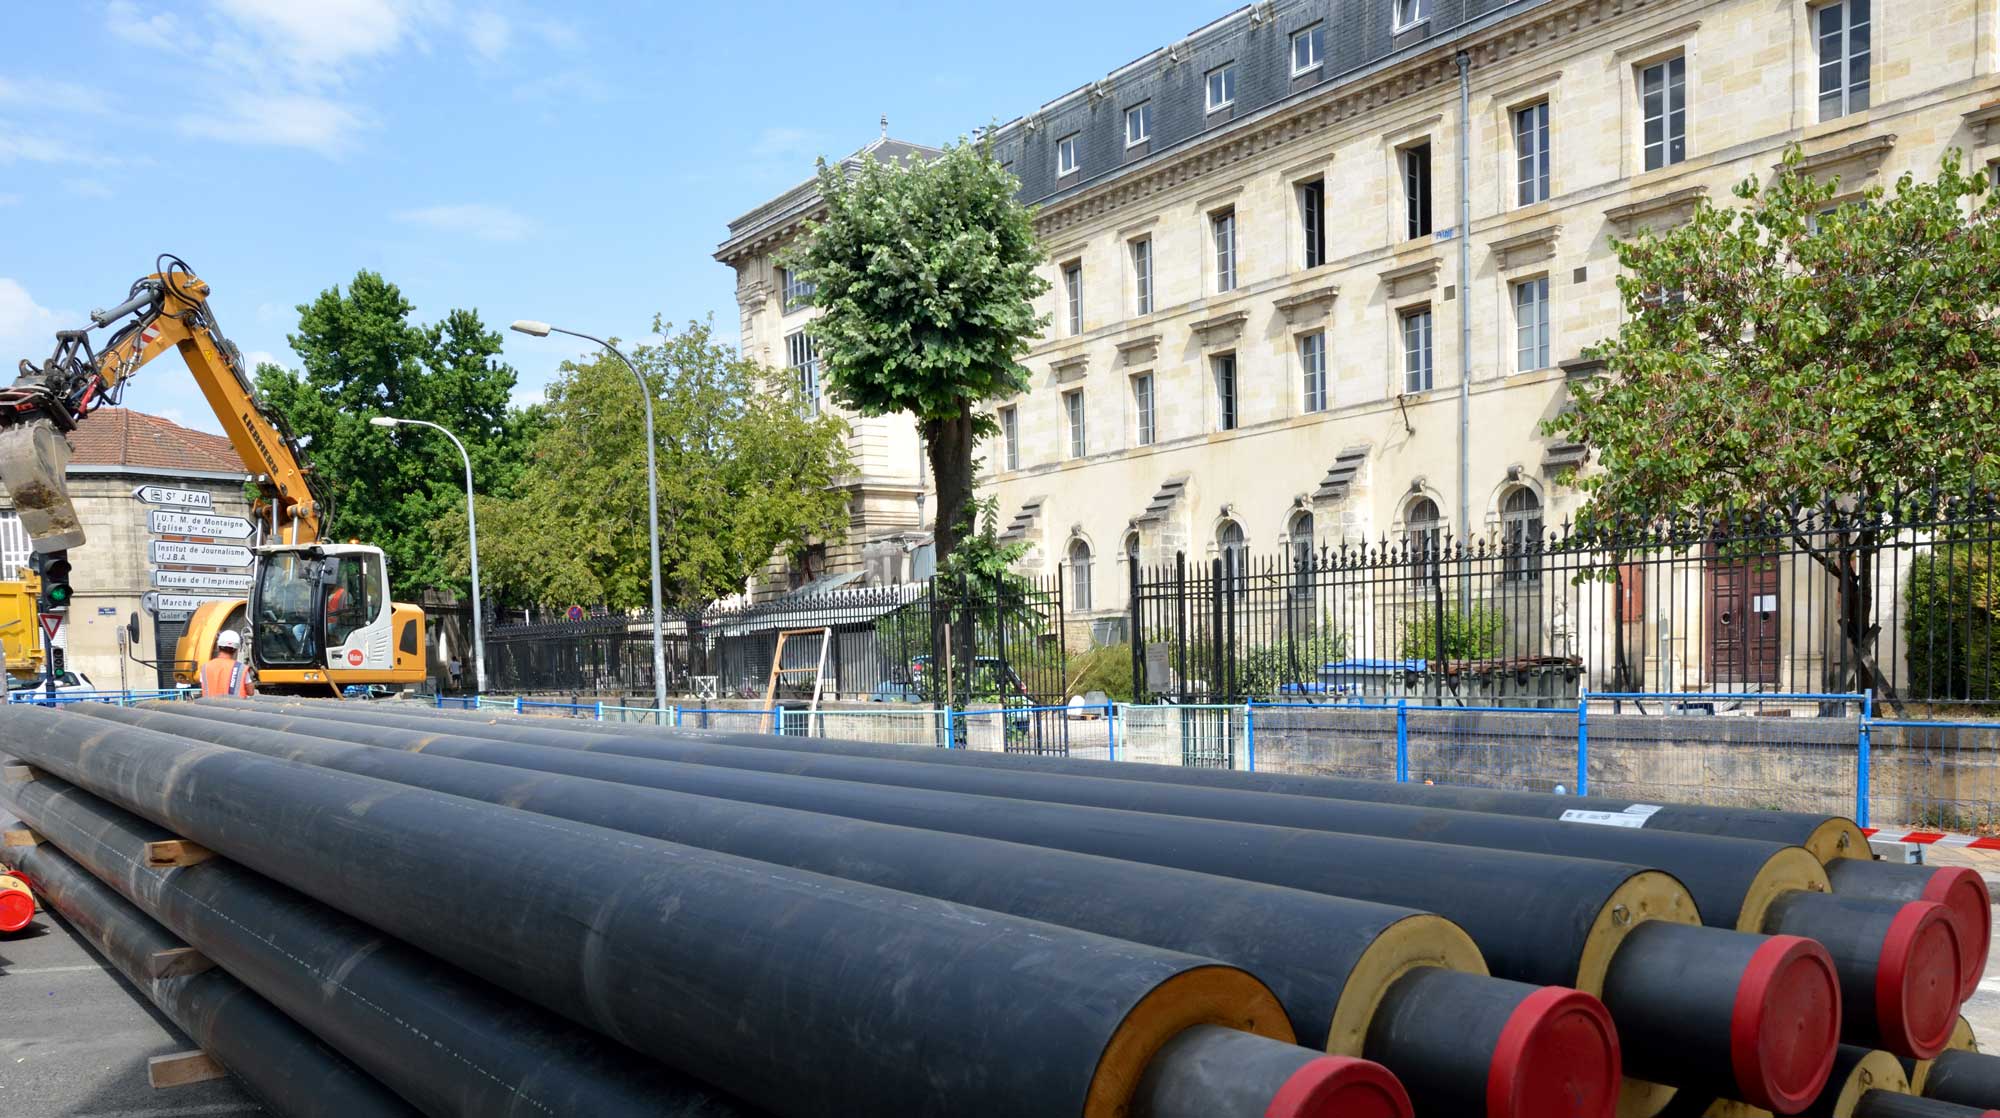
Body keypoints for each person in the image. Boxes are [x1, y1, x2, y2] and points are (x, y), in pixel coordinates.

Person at [200, 630, 254, 698]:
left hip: (209, 707)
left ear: (218, 646)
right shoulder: (241, 668)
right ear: (236, 650)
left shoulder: (205, 667)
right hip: (234, 707)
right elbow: (251, 692)